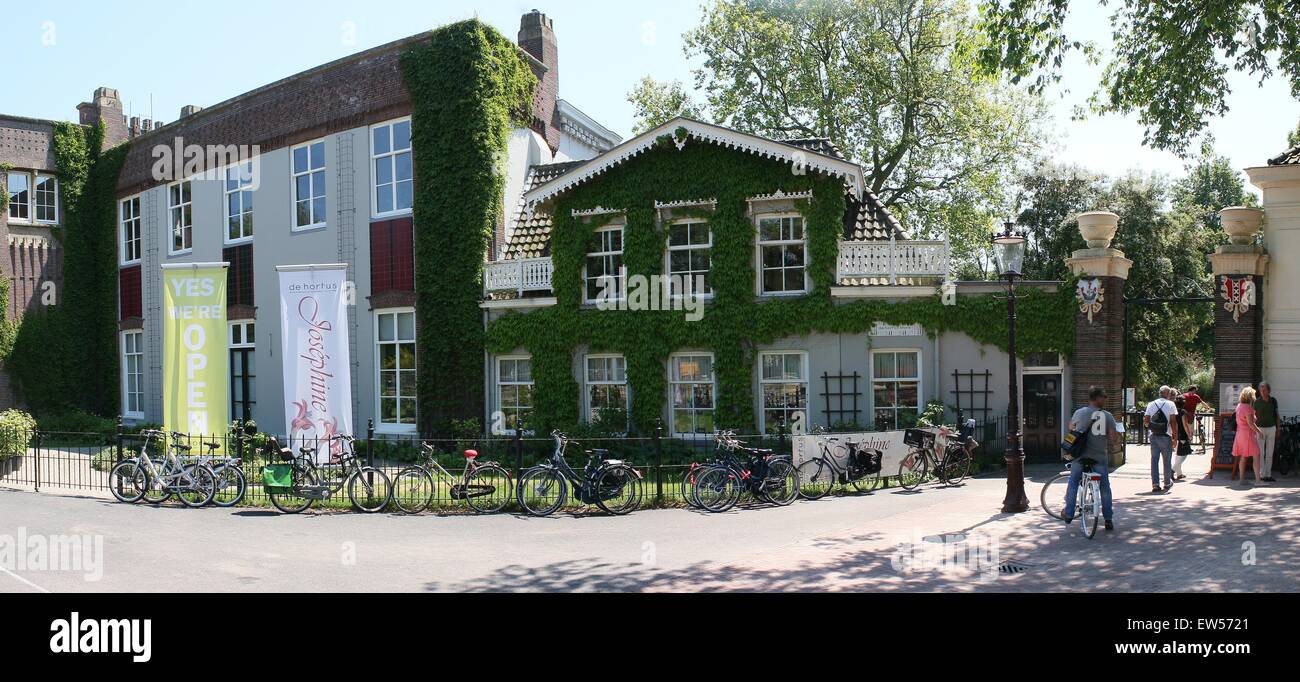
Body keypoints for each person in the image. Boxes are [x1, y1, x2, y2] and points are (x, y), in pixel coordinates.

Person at [1064, 386, 1120, 531]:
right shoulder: (1107, 416)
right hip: (1099, 457)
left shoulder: (1079, 412)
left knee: (1073, 483)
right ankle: (1108, 518)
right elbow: (1114, 439)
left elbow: (1071, 428)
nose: (1106, 399)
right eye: (1104, 397)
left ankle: (1069, 514)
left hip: (1080, 456)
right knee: (1105, 487)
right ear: (1098, 398)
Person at [1144, 386, 1179, 493]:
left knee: (1154, 460)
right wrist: (1175, 437)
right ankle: (1167, 483)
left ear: (1159, 393)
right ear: (1167, 393)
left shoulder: (1151, 404)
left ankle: (1155, 484)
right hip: (1166, 435)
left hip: (1153, 436)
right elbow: (1173, 422)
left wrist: (1152, 427)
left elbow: (1146, 420)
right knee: (1167, 460)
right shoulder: (1171, 404)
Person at [1234, 386, 1263, 486]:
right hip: (1248, 434)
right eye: (1253, 395)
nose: (1254, 397)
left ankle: (1241, 479)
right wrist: (1259, 432)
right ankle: (1258, 481)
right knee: (1256, 455)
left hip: (1240, 434)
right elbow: (1251, 423)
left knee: (1243, 456)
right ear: (1250, 396)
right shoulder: (1247, 408)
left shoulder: (1239, 406)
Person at [1254, 382, 1280, 484]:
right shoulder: (1257, 402)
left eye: (1264, 390)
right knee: (1260, 452)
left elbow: (1277, 415)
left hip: (1271, 428)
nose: (1263, 392)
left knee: (1270, 452)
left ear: (1268, 390)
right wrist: (1254, 430)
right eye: (1261, 390)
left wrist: (1278, 429)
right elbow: (1253, 417)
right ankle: (1261, 474)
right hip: (1260, 429)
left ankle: (1268, 475)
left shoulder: (1273, 401)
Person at [1172, 395, 1193, 481]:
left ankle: (1179, 473)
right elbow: (1185, 425)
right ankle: (1172, 470)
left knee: (1178, 454)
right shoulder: (1183, 412)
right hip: (1182, 435)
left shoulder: (1173, 411)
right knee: (1183, 455)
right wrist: (1189, 434)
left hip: (1174, 435)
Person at [1182, 386, 1208, 453]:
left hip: (1183, 415)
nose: (1195, 392)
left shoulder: (1184, 395)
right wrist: (1208, 408)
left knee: (1183, 430)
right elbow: (1202, 403)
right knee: (1190, 432)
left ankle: (1183, 446)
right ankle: (1188, 447)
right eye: (1195, 390)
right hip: (1191, 416)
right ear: (1193, 390)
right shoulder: (1195, 396)